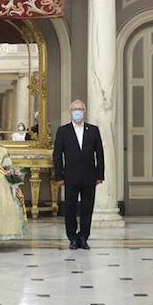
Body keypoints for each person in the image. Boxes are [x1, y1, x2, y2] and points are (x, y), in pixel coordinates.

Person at [53, 99, 105, 251]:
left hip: (90, 176)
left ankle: (83, 237)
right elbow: (57, 155)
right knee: (70, 207)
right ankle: (72, 238)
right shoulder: (63, 131)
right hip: (70, 176)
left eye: (80, 109)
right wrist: (59, 176)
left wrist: (100, 174)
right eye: (75, 109)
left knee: (87, 208)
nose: (77, 111)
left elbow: (100, 153)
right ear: (70, 112)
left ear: (85, 111)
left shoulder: (93, 130)